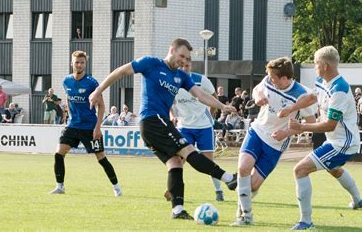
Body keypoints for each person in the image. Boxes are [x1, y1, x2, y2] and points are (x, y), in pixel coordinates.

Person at [88, 38, 237, 220]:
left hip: (157, 125)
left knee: (175, 162)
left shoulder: (181, 76)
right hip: (153, 120)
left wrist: (222, 106)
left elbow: (200, 95)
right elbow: (120, 72)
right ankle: (229, 179)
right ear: (172, 50)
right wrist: (98, 91)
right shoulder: (151, 63)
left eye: (187, 58)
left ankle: (177, 210)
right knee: (188, 151)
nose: (183, 61)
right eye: (181, 56)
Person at [281, 46, 362, 230]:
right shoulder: (322, 81)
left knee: (300, 170)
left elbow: (330, 125)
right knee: (334, 169)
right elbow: (311, 97)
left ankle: (306, 222)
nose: (315, 67)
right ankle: (358, 200)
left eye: (316, 64)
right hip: (337, 140)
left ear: (325, 66)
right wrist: (291, 108)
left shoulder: (340, 90)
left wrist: (301, 127)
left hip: (343, 143)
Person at [230, 57, 316, 226]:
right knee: (243, 167)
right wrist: (259, 96)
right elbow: (257, 89)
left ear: (284, 78)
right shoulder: (269, 79)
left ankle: (242, 205)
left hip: (275, 144)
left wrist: (287, 132)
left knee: (253, 185)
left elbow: (311, 123)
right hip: (257, 131)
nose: (270, 80)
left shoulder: (301, 95)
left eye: (273, 78)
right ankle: (245, 217)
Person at [50, 50, 122, 197]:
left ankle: (117, 187)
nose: (79, 65)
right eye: (77, 62)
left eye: (82, 62)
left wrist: (98, 128)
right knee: (58, 154)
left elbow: (101, 106)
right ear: (72, 63)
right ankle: (60, 187)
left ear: (85, 64)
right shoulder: (66, 81)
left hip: (89, 128)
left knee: (101, 158)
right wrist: (70, 117)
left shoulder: (92, 83)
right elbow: (69, 100)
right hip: (72, 126)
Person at [171, 59, 225, 202]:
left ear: (191, 66)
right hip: (184, 126)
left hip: (204, 126)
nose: (184, 68)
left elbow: (214, 98)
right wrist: (172, 115)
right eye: (181, 66)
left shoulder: (202, 80)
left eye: (187, 66)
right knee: (179, 159)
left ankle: (218, 190)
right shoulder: (172, 81)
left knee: (208, 162)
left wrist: (211, 115)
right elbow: (168, 102)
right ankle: (174, 190)